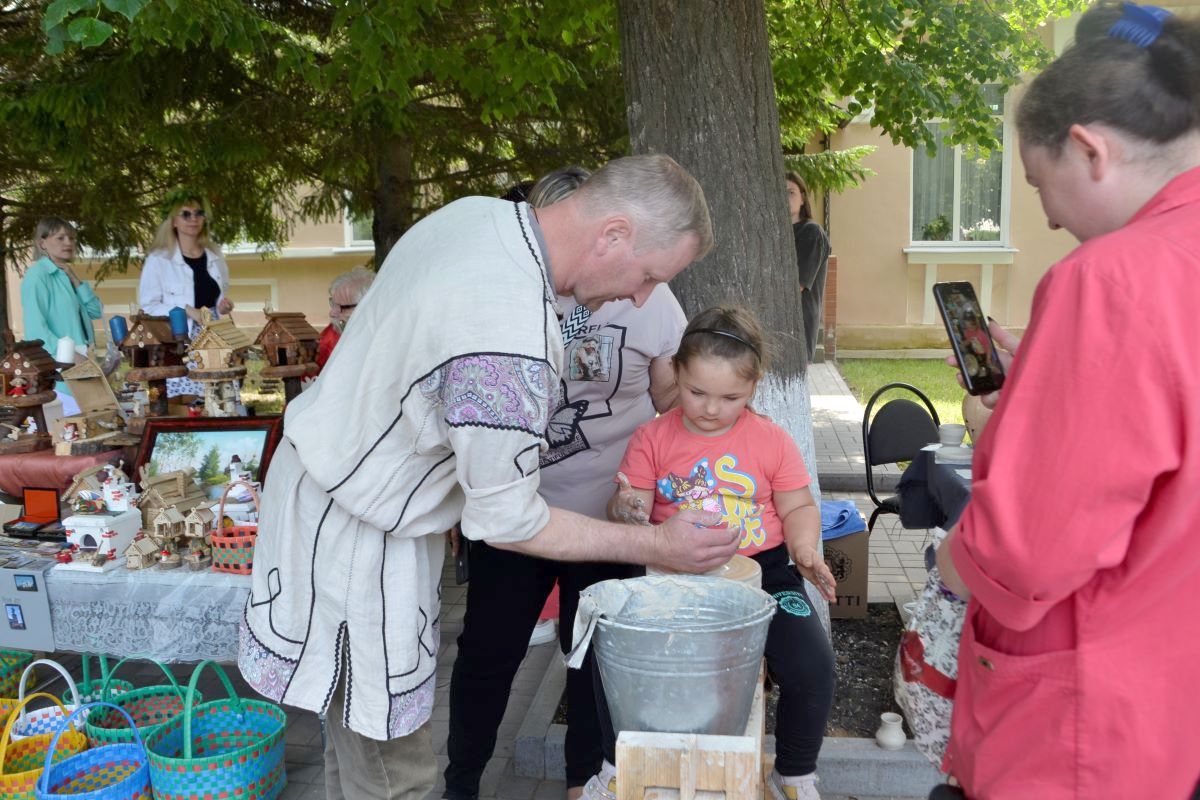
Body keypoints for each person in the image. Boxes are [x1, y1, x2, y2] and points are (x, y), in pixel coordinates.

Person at [238, 154, 738, 800]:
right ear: (613, 234)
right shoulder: (510, 334)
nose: (642, 297)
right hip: (358, 546)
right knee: (398, 780)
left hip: (330, 502)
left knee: (353, 765)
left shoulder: (479, 220)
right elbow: (504, 518)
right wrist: (658, 546)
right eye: (647, 276)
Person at [933, 4, 1200, 797]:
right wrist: (1044, 396)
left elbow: (1029, 547)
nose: (1048, 216)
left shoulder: (1111, 278)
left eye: (1039, 184)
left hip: (1083, 726)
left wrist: (951, 559)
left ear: (1088, 150)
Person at [443, 165, 689, 800]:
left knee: (594, 662)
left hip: (610, 519)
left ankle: (586, 781)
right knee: (488, 656)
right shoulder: (517, 292)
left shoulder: (651, 299)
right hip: (518, 515)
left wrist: (716, 407)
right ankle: (462, 782)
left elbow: (668, 395)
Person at [598, 306, 837, 800]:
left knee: (812, 665)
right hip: (671, 576)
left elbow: (796, 505)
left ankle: (793, 773)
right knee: (611, 660)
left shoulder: (770, 439)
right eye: (696, 392)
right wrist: (628, 507)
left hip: (765, 572)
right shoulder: (653, 436)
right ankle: (615, 765)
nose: (710, 408)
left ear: (754, 387)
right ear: (676, 374)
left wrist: (805, 548)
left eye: (730, 397)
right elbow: (633, 503)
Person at [138, 192, 233, 398]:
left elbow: (217, 299)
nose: (194, 219)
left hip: (215, 336)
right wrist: (186, 311)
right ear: (173, 221)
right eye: (186, 214)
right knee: (189, 402)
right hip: (180, 343)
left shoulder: (215, 257)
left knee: (222, 397)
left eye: (198, 213)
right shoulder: (159, 260)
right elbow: (148, 307)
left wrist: (222, 306)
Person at [21, 217, 103, 387]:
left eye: (71, 238)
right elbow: (36, 329)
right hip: (59, 361)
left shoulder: (65, 274)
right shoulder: (37, 275)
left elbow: (96, 311)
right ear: (42, 243)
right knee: (67, 412)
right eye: (60, 238)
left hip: (84, 357)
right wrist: (71, 355)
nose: (68, 242)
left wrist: (75, 279)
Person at [786, 173, 830, 363]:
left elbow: (797, 286)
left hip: (797, 327)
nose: (785, 198)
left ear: (803, 198)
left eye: (791, 192)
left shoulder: (811, 232)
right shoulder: (778, 235)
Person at [317, 267, 375, 372]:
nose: (332, 313)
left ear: (365, 306)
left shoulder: (387, 340)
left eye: (341, 307)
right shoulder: (330, 337)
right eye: (333, 304)